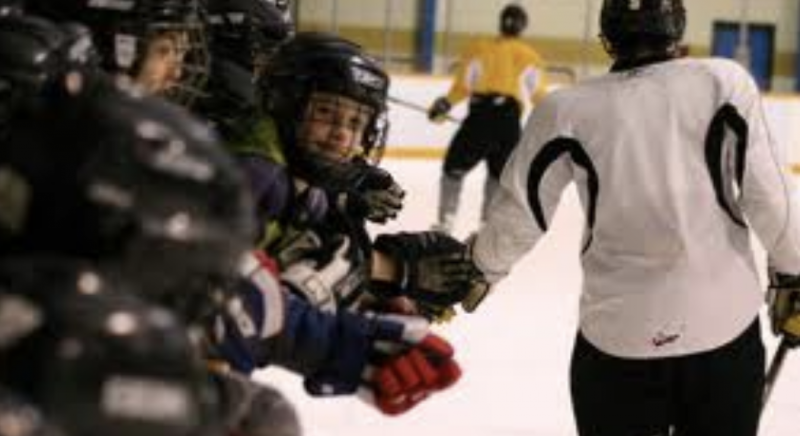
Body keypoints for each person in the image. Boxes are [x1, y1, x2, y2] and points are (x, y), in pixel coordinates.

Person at [452, 0, 800, 435]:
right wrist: (793, 274)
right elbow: (772, 198)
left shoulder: (564, 110)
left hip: (618, 340)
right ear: (678, 29)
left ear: (607, 37)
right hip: (723, 330)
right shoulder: (723, 82)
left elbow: (517, 216)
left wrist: (478, 268)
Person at [427, 2, 548, 235]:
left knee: (453, 168)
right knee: (498, 175)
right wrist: (553, 121)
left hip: (480, 118)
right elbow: (539, 95)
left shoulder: (478, 47)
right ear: (523, 27)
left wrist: (444, 105)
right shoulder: (530, 56)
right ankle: (486, 226)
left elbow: (462, 86)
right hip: (509, 124)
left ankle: (446, 221)